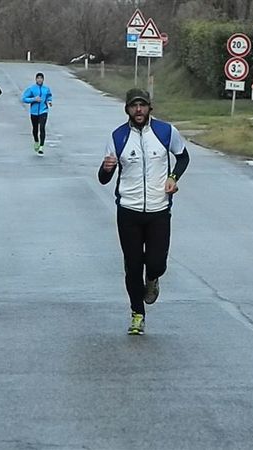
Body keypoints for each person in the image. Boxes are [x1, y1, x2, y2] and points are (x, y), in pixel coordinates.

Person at [98, 88, 190, 335]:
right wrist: (107, 169)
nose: (138, 110)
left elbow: (183, 157)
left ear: (150, 108)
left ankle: (153, 279)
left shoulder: (165, 132)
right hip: (128, 210)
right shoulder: (117, 137)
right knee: (132, 265)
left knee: (157, 263)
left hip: (159, 210)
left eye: (143, 105)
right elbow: (103, 178)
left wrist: (172, 177)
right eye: (133, 106)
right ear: (127, 109)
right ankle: (137, 313)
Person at [22, 72, 52, 156]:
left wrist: (49, 101)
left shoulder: (46, 89)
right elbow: (24, 98)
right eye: (38, 78)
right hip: (34, 112)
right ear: (36, 79)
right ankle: (36, 141)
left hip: (43, 111)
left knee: (42, 127)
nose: (39, 80)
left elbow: (49, 96)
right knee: (35, 129)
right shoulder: (31, 89)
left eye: (41, 78)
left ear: (43, 79)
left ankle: (41, 146)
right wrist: (34, 99)